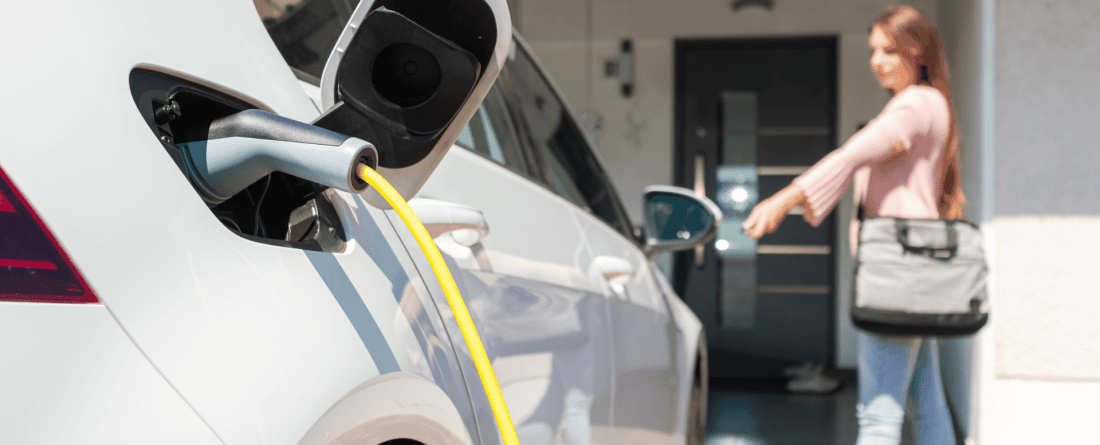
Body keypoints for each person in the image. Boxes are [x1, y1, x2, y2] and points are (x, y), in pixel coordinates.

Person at [741, 5, 961, 445]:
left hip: (894, 272)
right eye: (872, 51)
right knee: (927, 401)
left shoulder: (913, 105)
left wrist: (784, 199)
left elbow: (852, 153)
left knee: (879, 415)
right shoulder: (934, 103)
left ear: (915, 51)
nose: (876, 61)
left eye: (888, 51)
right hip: (915, 270)